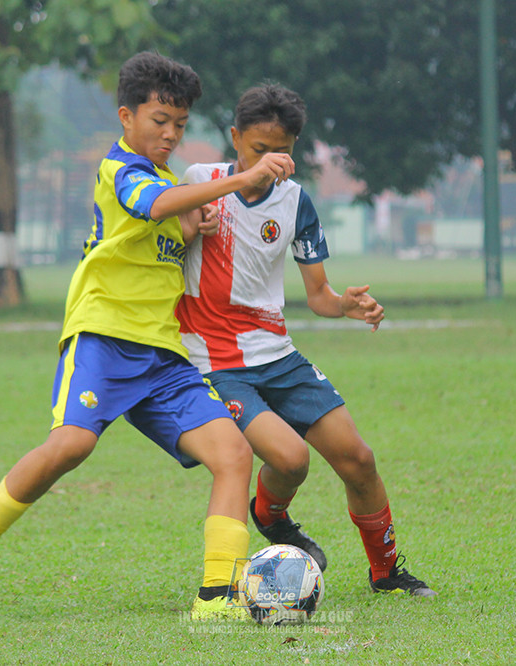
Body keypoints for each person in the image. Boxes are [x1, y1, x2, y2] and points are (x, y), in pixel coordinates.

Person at [0, 53, 297, 620]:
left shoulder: (165, 181)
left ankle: (217, 598)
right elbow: (150, 204)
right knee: (71, 447)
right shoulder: (120, 170)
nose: (170, 134)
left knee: (233, 454)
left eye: (180, 124)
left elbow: (166, 224)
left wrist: (192, 225)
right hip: (102, 339)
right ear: (126, 117)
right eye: (159, 120)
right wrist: (242, 178)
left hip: (163, 356)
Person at [176, 84, 435, 597]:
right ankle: (272, 517)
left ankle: (385, 574)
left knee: (358, 458)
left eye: (284, 152)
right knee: (292, 459)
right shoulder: (200, 182)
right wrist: (190, 225)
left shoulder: (297, 202)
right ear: (234, 138)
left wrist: (346, 304)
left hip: (279, 355)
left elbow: (317, 293)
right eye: (259, 151)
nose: (273, 163)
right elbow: (167, 235)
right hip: (217, 362)